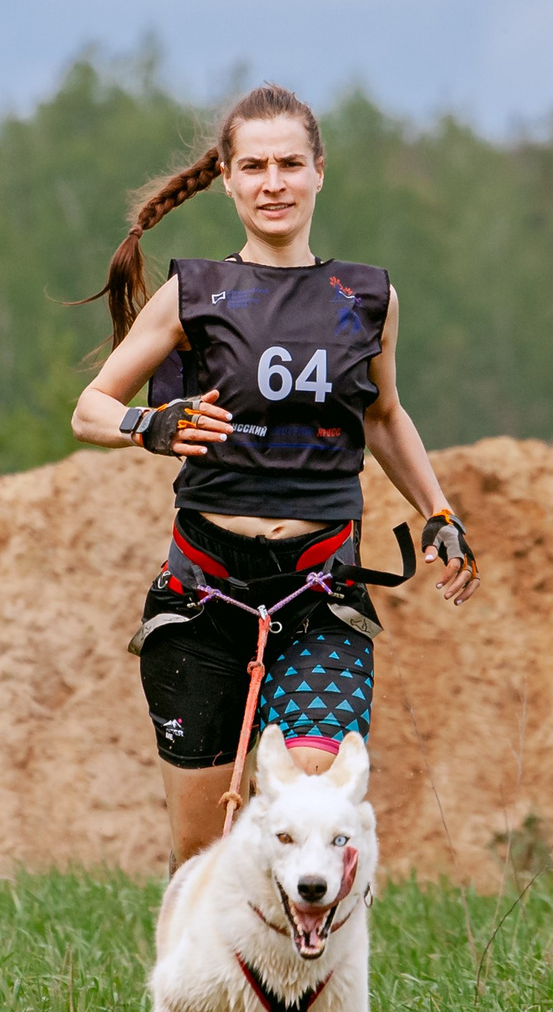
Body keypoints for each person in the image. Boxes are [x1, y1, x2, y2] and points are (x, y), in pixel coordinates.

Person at [70, 84, 479, 865]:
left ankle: (306, 945)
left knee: (311, 809)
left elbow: (384, 416)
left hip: (319, 594)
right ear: (226, 179)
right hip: (204, 597)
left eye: (290, 164)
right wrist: (149, 424)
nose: (273, 183)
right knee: (203, 852)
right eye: (254, 167)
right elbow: (91, 408)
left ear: (320, 170)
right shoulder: (194, 293)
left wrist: (439, 513)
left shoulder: (368, 298)